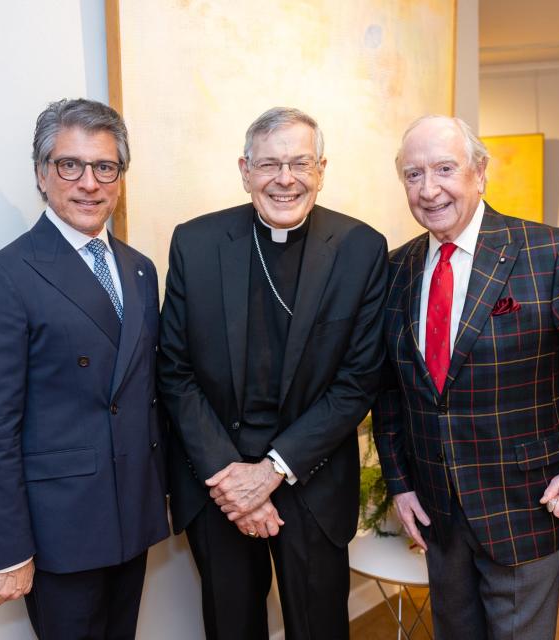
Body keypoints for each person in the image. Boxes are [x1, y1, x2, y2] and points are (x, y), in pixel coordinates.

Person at [373, 115, 559, 639]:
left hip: (527, 505)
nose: (429, 190)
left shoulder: (549, 254)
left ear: (480, 171)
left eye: (445, 169)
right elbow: (390, 390)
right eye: (413, 175)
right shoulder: (396, 269)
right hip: (438, 511)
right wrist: (400, 483)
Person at [157, 107, 387, 639]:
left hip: (312, 475)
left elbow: (357, 380)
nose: (285, 179)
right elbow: (174, 369)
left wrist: (272, 471)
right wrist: (231, 478)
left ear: (322, 170)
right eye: (269, 164)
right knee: (231, 627)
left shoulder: (361, 249)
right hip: (218, 482)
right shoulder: (196, 243)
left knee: (319, 627)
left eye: (300, 163)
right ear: (244, 170)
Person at [0, 98, 168, 639]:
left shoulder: (139, 268)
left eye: (105, 167)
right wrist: (8, 550)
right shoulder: (4, 277)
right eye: (69, 165)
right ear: (41, 175)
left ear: (120, 177)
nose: (89, 183)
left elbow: (144, 393)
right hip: (58, 533)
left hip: (132, 515)